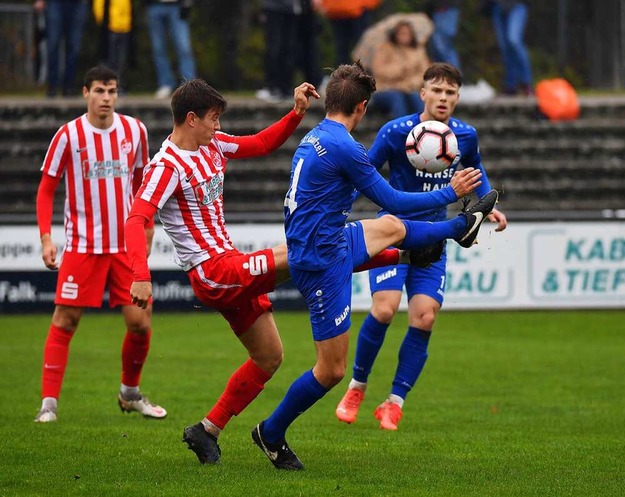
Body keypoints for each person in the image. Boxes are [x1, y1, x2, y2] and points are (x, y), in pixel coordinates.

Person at [124, 78, 471, 465]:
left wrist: (295, 114)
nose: (218, 127)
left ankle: (207, 430)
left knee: (269, 357)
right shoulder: (165, 166)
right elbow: (137, 218)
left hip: (232, 264)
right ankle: (409, 254)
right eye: (213, 119)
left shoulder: (213, 144)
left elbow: (261, 144)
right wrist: (140, 273)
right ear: (191, 119)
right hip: (212, 272)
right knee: (309, 251)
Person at [251, 61, 499, 470]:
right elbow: (395, 198)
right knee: (330, 370)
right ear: (362, 107)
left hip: (329, 236)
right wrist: (450, 192)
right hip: (321, 259)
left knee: (391, 228)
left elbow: (391, 214)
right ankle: (271, 432)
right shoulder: (346, 148)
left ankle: (458, 228)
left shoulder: (317, 135)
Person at [335, 62, 508, 431]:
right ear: (423, 93)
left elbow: (476, 170)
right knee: (384, 310)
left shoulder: (466, 135)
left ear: (457, 97)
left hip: (434, 236)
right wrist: (338, 206)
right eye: (437, 90)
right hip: (393, 233)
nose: (444, 98)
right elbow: (365, 170)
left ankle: (394, 402)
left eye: (451, 92)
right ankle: (357, 386)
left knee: (425, 317)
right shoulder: (397, 131)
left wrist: (489, 207)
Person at [34, 65, 166, 423]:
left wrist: (148, 226)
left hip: (125, 246)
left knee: (140, 323)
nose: (106, 98)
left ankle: (130, 394)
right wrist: (47, 238)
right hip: (82, 246)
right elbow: (46, 190)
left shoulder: (134, 131)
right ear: (85, 93)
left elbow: (142, 184)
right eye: (99, 91)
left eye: (111, 91)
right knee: (65, 320)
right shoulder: (68, 135)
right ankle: (48, 404)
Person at [370, 20, 429, 118]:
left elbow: (425, 73)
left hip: (411, 88)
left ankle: (424, 127)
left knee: (417, 97)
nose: (404, 36)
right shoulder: (384, 48)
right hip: (386, 89)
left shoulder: (418, 50)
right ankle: (401, 129)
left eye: (407, 34)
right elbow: (379, 70)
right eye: (401, 33)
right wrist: (400, 69)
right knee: (397, 98)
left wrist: (412, 82)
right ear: (395, 34)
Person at [145, 0, 197, 99]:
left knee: (184, 47)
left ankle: (190, 86)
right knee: (158, 49)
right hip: (154, 5)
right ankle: (165, 84)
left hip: (177, 6)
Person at [40, 0, 88, 97]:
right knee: (53, 45)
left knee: (74, 47)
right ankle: (52, 87)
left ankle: (68, 87)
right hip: (55, 3)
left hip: (78, 4)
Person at [490, 0, 533, 95]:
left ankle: (526, 82)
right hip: (497, 6)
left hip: (517, 5)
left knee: (513, 40)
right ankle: (511, 85)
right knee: (504, 47)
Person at [93, 0, 135, 92]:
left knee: (121, 61)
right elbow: (99, 5)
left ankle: (117, 87)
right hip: (111, 27)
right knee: (109, 59)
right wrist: (103, 21)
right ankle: (106, 86)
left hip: (125, 27)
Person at [428, 1, 462, 71]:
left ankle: (454, 75)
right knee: (437, 47)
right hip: (440, 9)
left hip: (446, 8)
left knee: (443, 45)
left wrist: (443, 4)